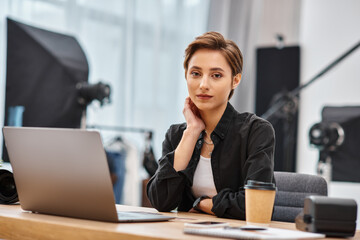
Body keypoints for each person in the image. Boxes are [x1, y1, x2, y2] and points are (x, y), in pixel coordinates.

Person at [146, 31, 275, 220]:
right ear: (186, 75)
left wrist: (201, 204)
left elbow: (256, 205)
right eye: (196, 74)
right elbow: (161, 201)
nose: (203, 84)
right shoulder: (177, 135)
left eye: (216, 75)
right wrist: (192, 131)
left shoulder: (256, 131)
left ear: (235, 80)